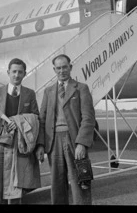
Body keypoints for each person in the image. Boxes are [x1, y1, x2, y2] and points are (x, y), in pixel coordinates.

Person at [35, 54, 95, 205]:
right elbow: (42, 120)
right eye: (59, 68)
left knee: (79, 181)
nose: (62, 71)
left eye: (65, 67)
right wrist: (41, 144)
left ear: (71, 67)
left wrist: (81, 143)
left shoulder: (81, 88)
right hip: (53, 140)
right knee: (57, 184)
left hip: (74, 139)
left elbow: (88, 118)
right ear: (54, 69)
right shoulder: (48, 91)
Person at [0, 58, 41, 204]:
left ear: (24, 74)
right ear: (8, 72)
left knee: (16, 187)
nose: (16, 75)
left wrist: (18, 120)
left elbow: (36, 119)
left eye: (20, 72)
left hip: (19, 144)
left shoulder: (29, 94)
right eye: (14, 71)